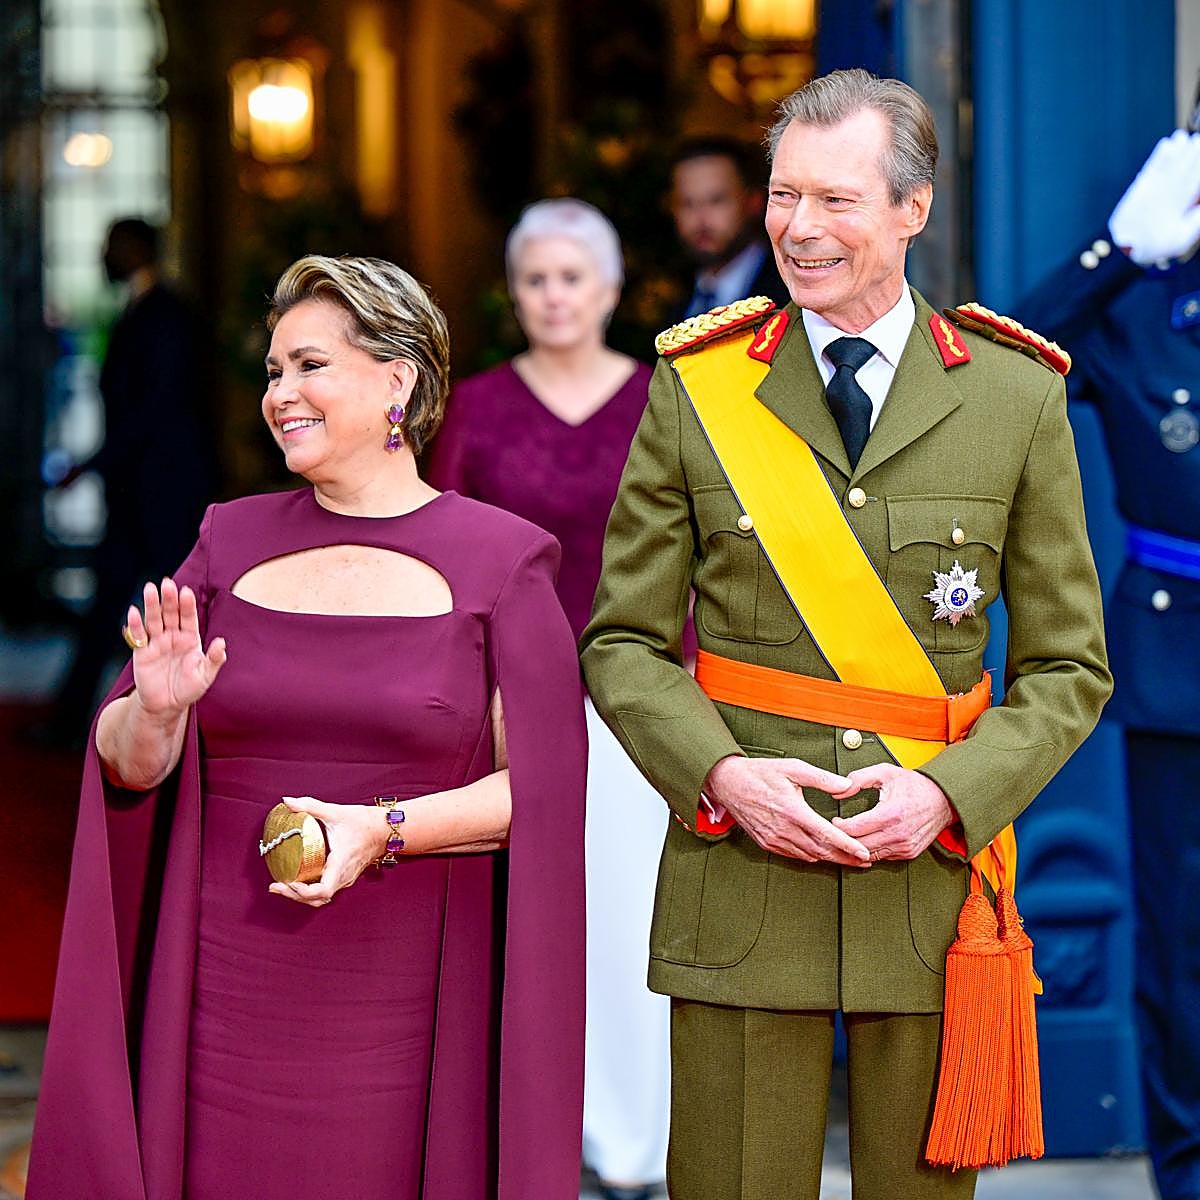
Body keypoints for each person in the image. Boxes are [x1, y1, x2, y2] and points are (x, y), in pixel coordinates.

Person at [581, 68, 1112, 1200]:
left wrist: (952, 796)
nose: (798, 229)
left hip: (926, 888)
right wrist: (722, 773)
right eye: (783, 197)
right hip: (741, 874)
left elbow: (1068, 669)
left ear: (913, 210)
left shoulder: (1015, 397)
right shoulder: (700, 386)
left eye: (836, 200)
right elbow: (619, 641)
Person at [27, 255, 587, 1200]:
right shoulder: (224, 541)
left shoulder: (502, 562)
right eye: (275, 372)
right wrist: (154, 712)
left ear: (397, 379)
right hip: (220, 986)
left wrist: (385, 830)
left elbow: (540, 787)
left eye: (310, 366)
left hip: (408, 995)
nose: (281, 394)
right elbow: (128, 766)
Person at [427, 198, 666, 1200]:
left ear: (611, 290)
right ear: (513, 292)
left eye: (574, 277)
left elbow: (702, 549)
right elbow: (436, 547)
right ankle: (528, 1140)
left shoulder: (666, 400)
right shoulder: (476, 404)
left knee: (626, 924)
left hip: (638, 695)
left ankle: (632, 1150)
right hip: (506, 703)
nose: (555, 296)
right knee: (514, 924)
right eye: (536, 278)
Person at [1013, 125, 1200, 1200]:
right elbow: (999, 361)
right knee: (1183, 951)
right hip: (1183, 658)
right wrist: (1116, 250)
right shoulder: (1140, 301)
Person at [49, 217, 218, 744]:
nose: (104, 253)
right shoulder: (140, 309)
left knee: (156, 603)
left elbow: (155, 411)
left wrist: (91, 465)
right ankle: (81, 715)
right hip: (137, 490)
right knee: (117, 602)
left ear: (135, 248)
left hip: (161, 491)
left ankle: (148, 720)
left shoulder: (165, 314)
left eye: (111, 245)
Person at [669, 136, 791, 320]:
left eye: (716, 200)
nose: (700, 219)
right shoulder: (676, 303)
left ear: (754, 202)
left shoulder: (792, 292)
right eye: (687, 203)